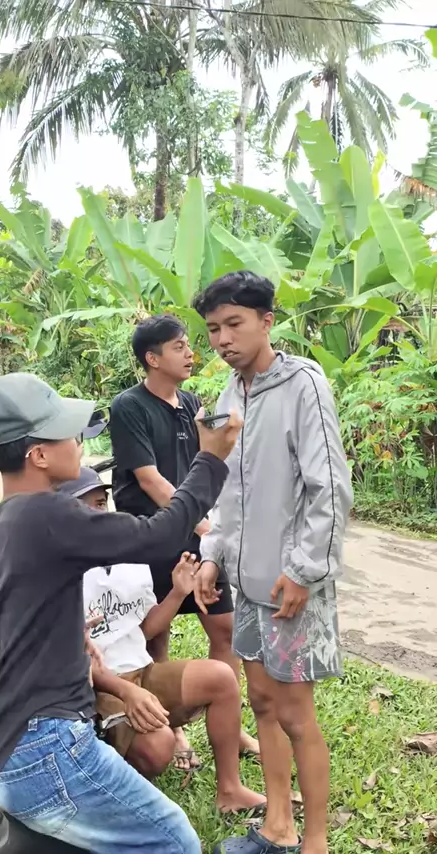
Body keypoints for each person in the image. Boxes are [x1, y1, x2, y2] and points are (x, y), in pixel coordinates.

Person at [0, 371, 242, 854]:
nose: (79, 442)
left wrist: (66, 639)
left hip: (1, 751)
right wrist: (211, 459)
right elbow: (159, 533)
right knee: (175, 841)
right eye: (67, 434)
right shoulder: (49, 514)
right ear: (39, 455)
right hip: (48, 749)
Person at [192, 272, 354, 854]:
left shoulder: (302, 384)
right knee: (261, 701)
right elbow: (227, 488)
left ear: (267, 321)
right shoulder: (230, 394)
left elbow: (329, 486)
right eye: (213, 329)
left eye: (234, 324)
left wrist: (306, 569)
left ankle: (315, 841)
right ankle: (277, 827)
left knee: (294, 713)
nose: (222, 339)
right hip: (248, 581)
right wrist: (213, 555)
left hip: (291, 584)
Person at [58, 467, 266, 815]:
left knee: (220, 677)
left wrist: (178, 592)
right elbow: (66, 660)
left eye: (101, 502)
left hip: (142, 671)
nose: (98, 512)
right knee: (159, 748)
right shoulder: (56, 570)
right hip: (97, 688)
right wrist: (126, 692)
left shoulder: (128, 555)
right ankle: (110, 785)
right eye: (86, 505)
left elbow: (142, 630)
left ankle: (230, 790)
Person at [110, 313, 259, 770]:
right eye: (179, 347)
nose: (191, 353)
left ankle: (230, 725)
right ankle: (170, 727)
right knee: (156, 634)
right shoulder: (129, 406)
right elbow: (149, 479)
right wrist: (201, 525)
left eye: (188, 344)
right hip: (152, 536)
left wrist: (208, 525)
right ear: (152, 358)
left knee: (224, 627)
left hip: (197, 531)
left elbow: (210, 463)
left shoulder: (191, 404)